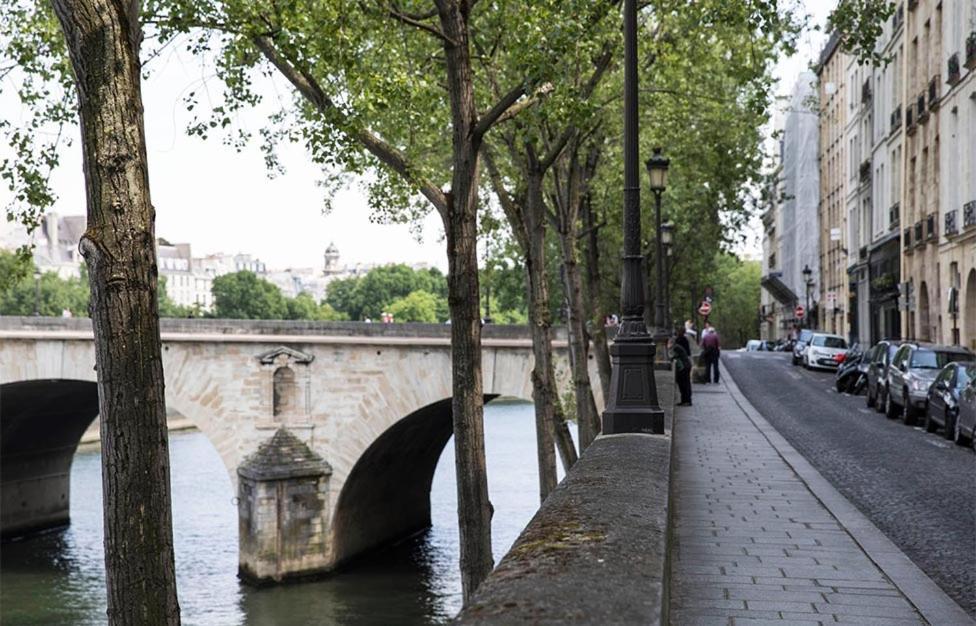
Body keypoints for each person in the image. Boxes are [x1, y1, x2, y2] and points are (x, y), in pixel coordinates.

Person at [670, 330, 693, 406]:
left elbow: (673, 357)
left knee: (684, 384)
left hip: (684, 367)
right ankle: (685, 400)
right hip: (685, 366)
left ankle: (687, 400)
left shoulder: (676, 347)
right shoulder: (677, 346)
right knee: (683, 384)